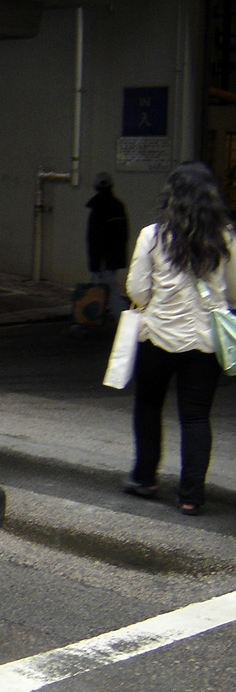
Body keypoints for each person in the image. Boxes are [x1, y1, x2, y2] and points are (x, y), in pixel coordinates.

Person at [122, 161, 236, 515]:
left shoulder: (153, 235)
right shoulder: (227, 237)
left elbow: (137, 290)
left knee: (148, 405)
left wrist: (156, 302)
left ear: (172, 195)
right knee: (196, 417)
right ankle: (191, 495)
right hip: (205, 343)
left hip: (157, 336)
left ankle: (145, 478)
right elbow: (233, 290)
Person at [86, 171, 130, 318]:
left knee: (110, 293)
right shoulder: (118, 206)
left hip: (102, 259)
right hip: (113, 257)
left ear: (95, 187)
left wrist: (96, 262)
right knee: (101, 289)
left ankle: (126, 324)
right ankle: (85, 322)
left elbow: (94, 238)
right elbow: (123, 234)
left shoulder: (97, 208)